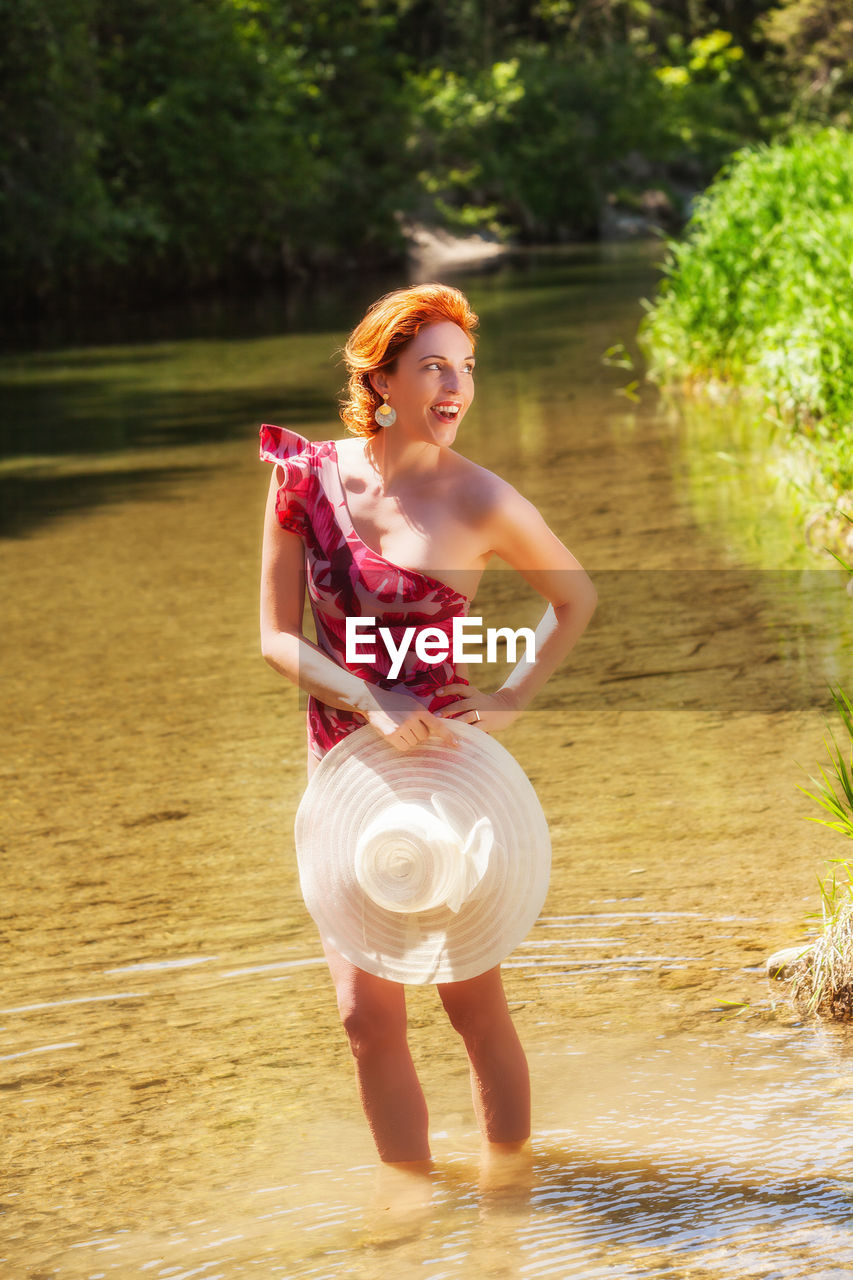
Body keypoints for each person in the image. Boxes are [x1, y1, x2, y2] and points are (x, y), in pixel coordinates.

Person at [259, 282, 597, 1167]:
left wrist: (513, 698)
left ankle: (507, 1193)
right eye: (434, 366)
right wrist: (367, 699)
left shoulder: (481, 500)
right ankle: (407, 1205)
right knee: (364, 1018)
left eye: (467, 368)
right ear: (381, 379)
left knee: (468, 1002)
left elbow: (573, 598)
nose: (455, 385)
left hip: (444, 776)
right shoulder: (303, 478)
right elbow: (273, 640)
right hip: (343, 768)